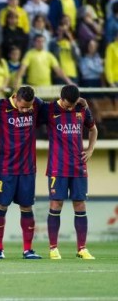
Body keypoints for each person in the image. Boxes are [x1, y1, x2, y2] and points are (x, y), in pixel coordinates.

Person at [40, 85, 98, 260]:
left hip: (78, 167)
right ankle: (53, 248)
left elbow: (93, 129)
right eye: (67, 105)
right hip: (57, 168)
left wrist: (90, 150)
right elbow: (31, 106)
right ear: (61, 97)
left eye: (72, 105)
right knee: (56, 204)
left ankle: (82, 248)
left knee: (80, 205)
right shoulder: (49, 109)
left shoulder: (82, 109)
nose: (70, 108)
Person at [0, 86, 44, 260]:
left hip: (27, 168)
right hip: (5, 168)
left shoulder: (37, 105)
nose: (26, 109)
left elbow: (57, 108)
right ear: (15, 98)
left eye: (29, 107)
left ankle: (28, 250)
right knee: (1, 206)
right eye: (23, 106)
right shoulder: (0, 106)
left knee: (27, 207)